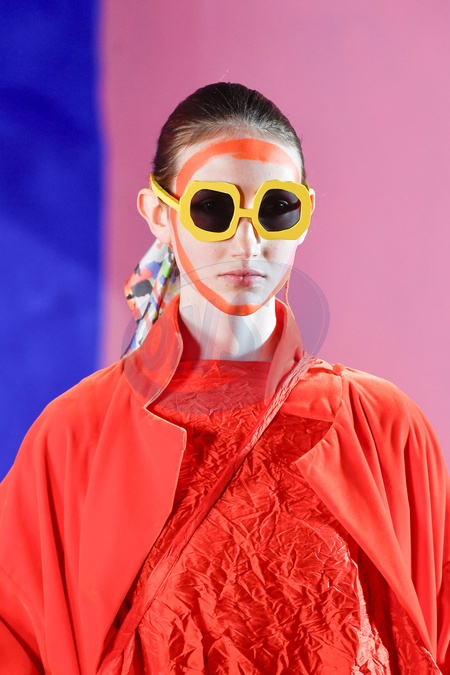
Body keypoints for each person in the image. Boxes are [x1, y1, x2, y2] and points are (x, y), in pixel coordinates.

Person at [0, 82, 449, 675]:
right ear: (160, 214)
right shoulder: (76, 434)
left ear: (305, 216)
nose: (248, 240)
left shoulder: (383, 426)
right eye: (212, 208)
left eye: (277, 208)